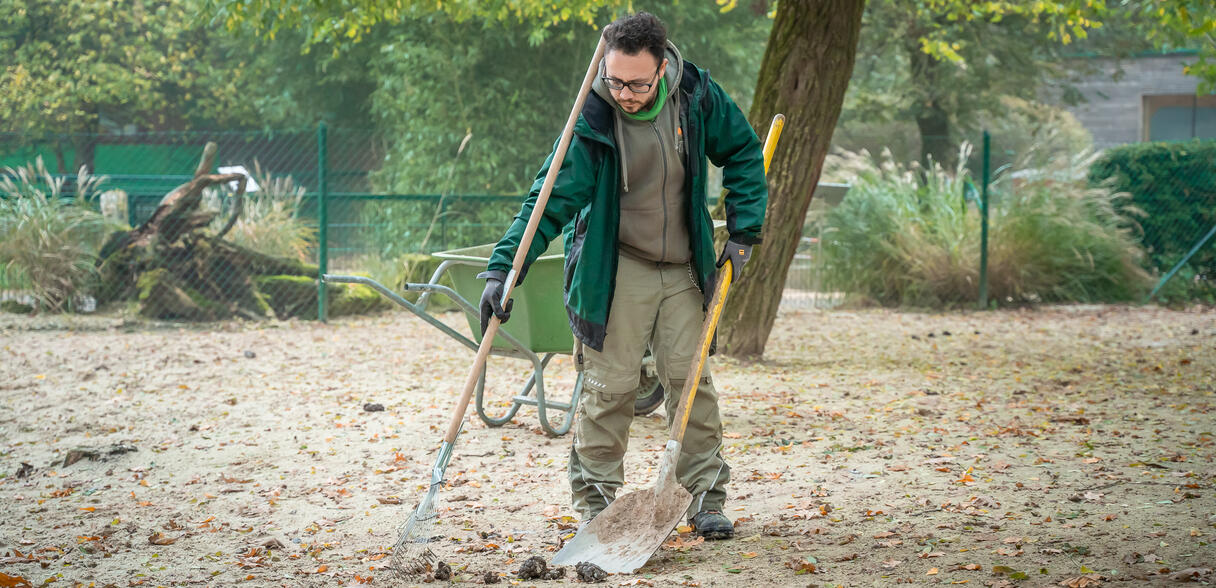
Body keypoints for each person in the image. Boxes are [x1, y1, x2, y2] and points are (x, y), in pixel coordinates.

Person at [478, 11, 767, 540]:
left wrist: (744, 231)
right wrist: (504, 268)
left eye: (637, 84)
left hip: (684, 267)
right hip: (618, 267)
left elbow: (744, 152)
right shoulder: (592, 117)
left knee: (691, 385)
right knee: (608, 390)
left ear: (662, 69)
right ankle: (597, 507)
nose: (625, 94)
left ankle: (704, 498)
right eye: (615, 81)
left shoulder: (695, 95)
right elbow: (548, 200)